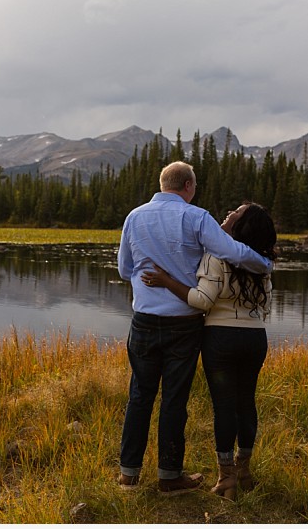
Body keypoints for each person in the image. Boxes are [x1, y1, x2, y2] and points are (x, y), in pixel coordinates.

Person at [116, 162, 274, 496]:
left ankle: (128, 476)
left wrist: (149, 281)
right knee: (174, 399)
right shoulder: (197, 217)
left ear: (163, 184)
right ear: (188, 186)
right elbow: (232, 252)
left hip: (143, 320)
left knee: (139, 395)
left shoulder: (134, 216)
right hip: (184, 324)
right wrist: (265, 264)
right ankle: (169, 476)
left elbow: (124, 269)